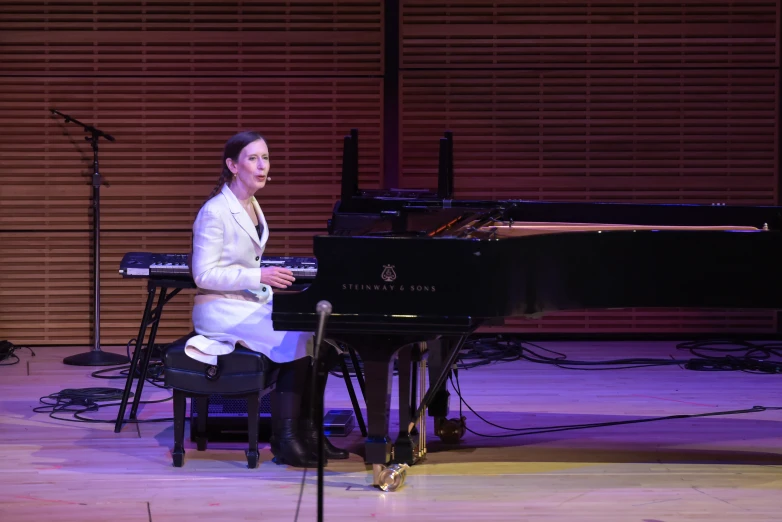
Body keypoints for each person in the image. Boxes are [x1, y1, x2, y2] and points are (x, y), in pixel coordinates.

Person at [184, 130, 348, 467]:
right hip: (220, 309)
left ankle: (310, 432)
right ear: (233, 165)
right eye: (253, 158)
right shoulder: (215, 211)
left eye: (266, 158)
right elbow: (203, 275)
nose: (262, 166)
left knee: (323, 339)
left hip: (247, 301)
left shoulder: (252, 205)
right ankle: (285, 439)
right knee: (298, 337)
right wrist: (258, 275)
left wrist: (260, 281)